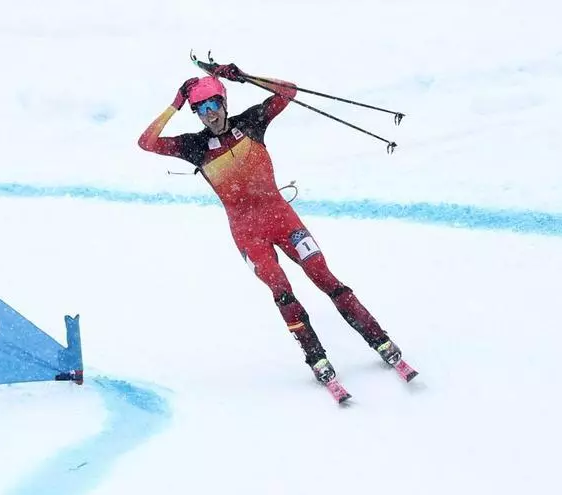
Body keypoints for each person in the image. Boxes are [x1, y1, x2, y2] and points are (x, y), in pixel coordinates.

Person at [137, 64, 405, 385]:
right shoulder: (194, 147)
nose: (208, 115)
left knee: (325, 278)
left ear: (223, 102)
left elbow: (287, 91)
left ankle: (379, 339)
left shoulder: (250, 122)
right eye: (200, 110)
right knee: (282, 291)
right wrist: (176, 102)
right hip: (248, 234)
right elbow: (146, 142)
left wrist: (244, 76)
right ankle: (316, 357)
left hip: (281, 219)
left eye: (212, 106)